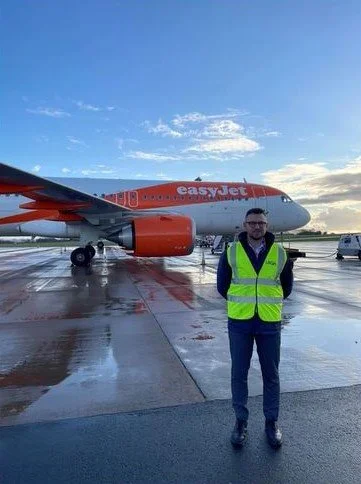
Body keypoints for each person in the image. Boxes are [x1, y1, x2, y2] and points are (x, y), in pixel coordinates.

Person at [217, 208, 293, 449]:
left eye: (261, 223)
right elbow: (222, 286)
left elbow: (287, 287)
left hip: (269, 322)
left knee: (271, 374)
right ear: (244, 225)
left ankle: (272, 422)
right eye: (252, 223)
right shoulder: (231, 252)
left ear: (267, 225)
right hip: (240, 322)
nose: (257, 227)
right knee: (239, 373)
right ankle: (240, 421)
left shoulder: (280, 253)